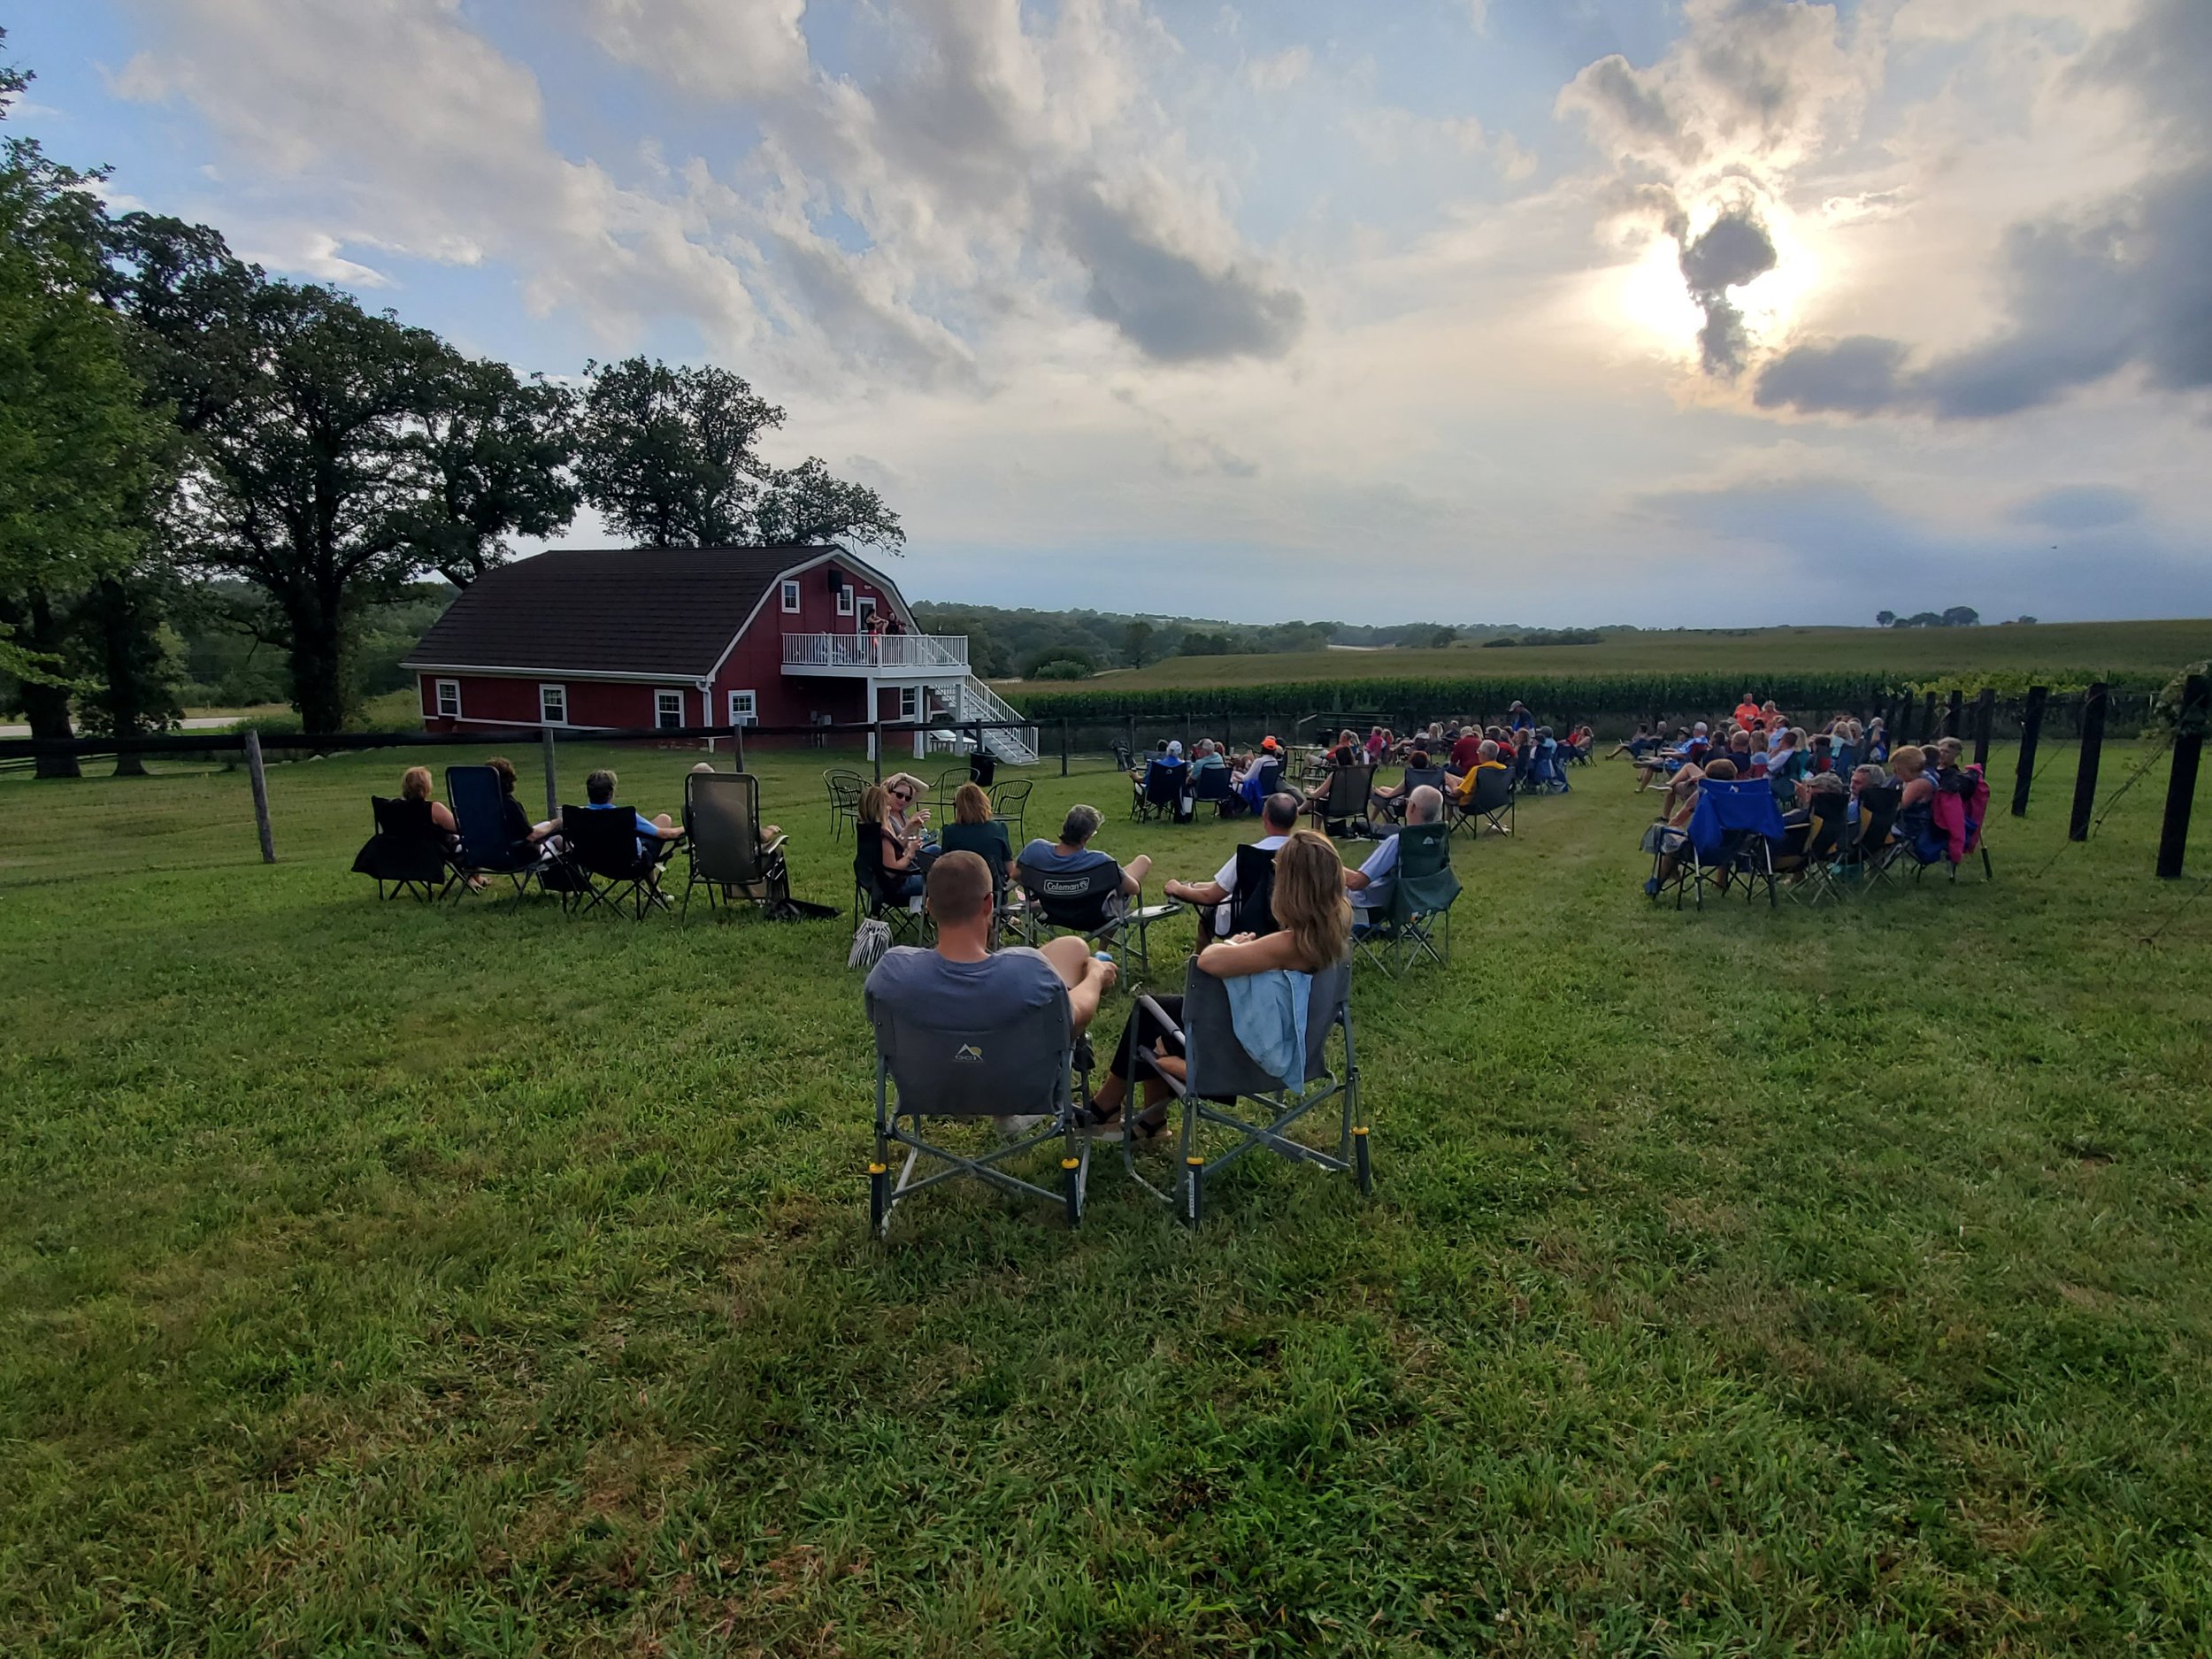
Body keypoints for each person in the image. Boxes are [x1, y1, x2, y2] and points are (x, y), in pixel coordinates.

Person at [1087, 828, 1353, 1144]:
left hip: (1244, 1060)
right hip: (1300, 1049)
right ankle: (1150, 1122)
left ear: (1290, 887)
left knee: (1149, 1014)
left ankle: (1108, 1107)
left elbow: (1208, 962)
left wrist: (1229, 945)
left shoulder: (1288, 944)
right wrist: (1241, 952)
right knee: (1164, 1013)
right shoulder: (1334, 939)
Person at [864, 852, 1117, 1135]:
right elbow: (1077, 1015)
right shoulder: (1031, 972)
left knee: (1072, 947)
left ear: (929, 907)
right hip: (1019, 1092)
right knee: (1073, 960)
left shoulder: (892, 972)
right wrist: (1095, 975)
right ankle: (1007, 1113)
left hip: (931, 1089)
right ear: (989, 903)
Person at [1164, 790, 1301, 934]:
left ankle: (1200, 955)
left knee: (1209, 913)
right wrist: (1195, 886)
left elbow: (1210, 896)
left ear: (1265, 817)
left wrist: (1177, 889)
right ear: (1296, 817)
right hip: (1293, 920)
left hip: (1251, 923)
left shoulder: (1249, 854)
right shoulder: (1305, 853)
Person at [528, 768, 684, 892]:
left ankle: (655, 889)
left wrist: (546, 828)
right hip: (629, 864)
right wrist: (689, 826)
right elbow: (666, 834)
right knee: (663, 823)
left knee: (662, 819)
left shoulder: (578, 816)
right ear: (611, 792)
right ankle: (654, 890)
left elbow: (557, 823)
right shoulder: (625, 816)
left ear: (588, 792)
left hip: (593, 862)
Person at [1345, 786, 1442, 921]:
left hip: (1377, 906)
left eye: (1407, 802)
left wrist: (1331, 864)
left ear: (1412, 807)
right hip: (1419, 903)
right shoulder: (1439, 842)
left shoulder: (1399, 842)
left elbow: (1356, 883)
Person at [1019, 803, 1153, 897]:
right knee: (1142, 861)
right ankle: (1105, 939)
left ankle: (1122, 874)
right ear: (1086, 836)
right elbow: (1134, 889)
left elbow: (1016, 875)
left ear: (1065, 826)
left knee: (1122, 873)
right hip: (1092, 916)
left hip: (1051, 909)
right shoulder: (1101, 862)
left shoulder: (1035, 849)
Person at [940, 781, 1013, 900]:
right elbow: (1010, 870)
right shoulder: (999, 829)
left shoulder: (950, 832)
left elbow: (944, 869)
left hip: (960, 896)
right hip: (994, 896)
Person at [856, 781, 926, 900]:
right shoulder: (882, 835)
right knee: (941, 879)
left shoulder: (867, 829)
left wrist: (908, 832)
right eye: (886, 805)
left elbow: (891, 851)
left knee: (934, 853)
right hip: (896, 887)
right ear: (879, 808)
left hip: (876, 883)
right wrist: (910, 853)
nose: (889, 808)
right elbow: (892, 871)